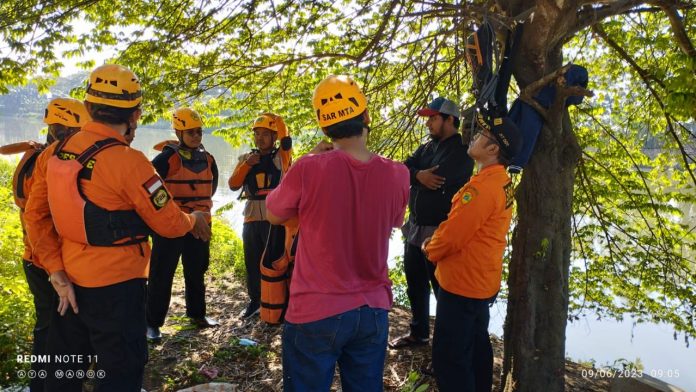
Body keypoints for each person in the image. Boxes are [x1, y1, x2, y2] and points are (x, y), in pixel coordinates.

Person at [24, 64, 211, 392]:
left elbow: (35, 216)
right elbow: (168, 224)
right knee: (120, 372)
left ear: (89, 107)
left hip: (68, 283)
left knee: (62, 373)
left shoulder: (55, 153)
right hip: (118, 289)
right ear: (135, 114)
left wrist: (55, 271)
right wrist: (193, 219)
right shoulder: (131, 162)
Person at [266, 75, 409, 391]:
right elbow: (396, 221)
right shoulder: (399, 174)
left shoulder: (309, 167)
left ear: (324, 128)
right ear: (366, 116)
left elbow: (274, 212)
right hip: (373, 310)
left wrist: (310, 160)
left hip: (316, 309)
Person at [422, 114, 522, 392]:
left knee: (451, 360)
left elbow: (453, 236)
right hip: (480, 283)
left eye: (482, 136)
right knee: (476, 350)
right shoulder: (501, 182)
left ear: (492, 150)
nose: (474, 137)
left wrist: (430, 247)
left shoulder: (482, 188)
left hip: (463, 286)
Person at [10, 97, 90, 392]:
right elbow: (43, 214)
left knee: (48, 326)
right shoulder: (48, 162)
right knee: (57, 330)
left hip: (36, 257)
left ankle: (40, 386)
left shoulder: (35, 157)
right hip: (49, 262)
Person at [389, 97, 474, 349]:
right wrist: (417, 175)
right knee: (415, 284)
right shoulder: (427, 147)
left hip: (440, 231)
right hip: (414, 228)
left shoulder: (462, 150)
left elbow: (438, 177)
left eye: (433, 118)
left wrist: (417, 174)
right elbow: (402, 168)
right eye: (428, 118)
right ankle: (419, 334)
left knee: (443, 290)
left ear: (450, 119)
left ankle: (448, 346)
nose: (428, 123)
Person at [146, 107, 219, 341]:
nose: (196, 136)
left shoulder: (208, 159)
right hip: (172, 224)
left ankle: (197, 315)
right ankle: (152, 323)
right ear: (179, 132)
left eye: (199, 132)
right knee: (161, 273)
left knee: (197, 270)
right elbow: (148, 187)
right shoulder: (167, 158)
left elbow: (212, 187)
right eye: (190, 132)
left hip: (199, 225)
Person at [228, 113, 286, 319]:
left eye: (265, 134)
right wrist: (248, 165)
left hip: (274, 218)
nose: (260, 138)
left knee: (275, 261)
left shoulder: (281, 157)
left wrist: (279, 122)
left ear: (274, 137)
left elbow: (287, 145)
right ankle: (254, 301)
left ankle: (279, 303)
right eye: (257, 134)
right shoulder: (246, 159)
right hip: (252, 216)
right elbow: (233, 184)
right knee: (252, 261)